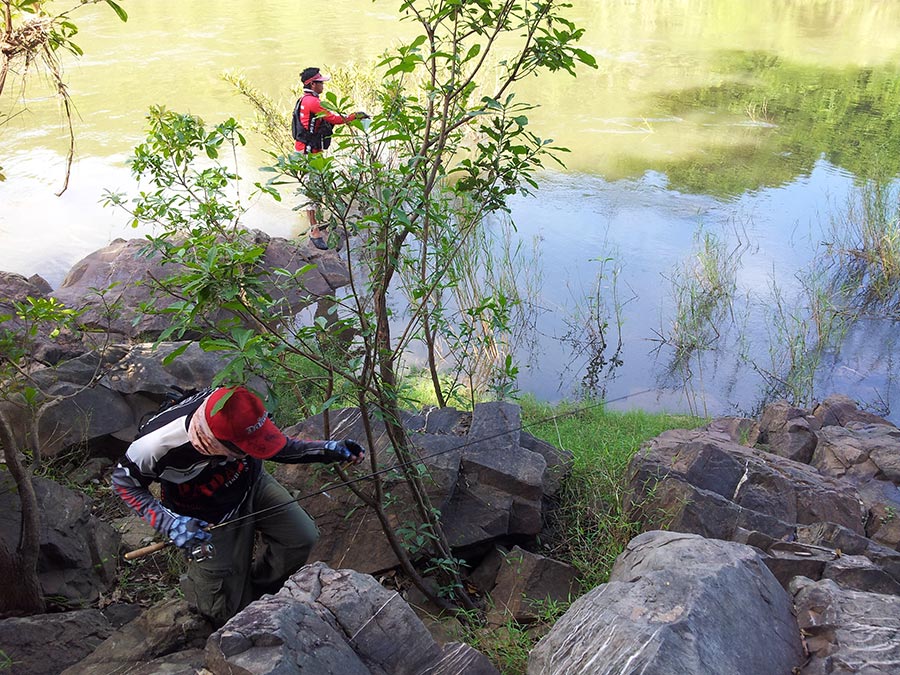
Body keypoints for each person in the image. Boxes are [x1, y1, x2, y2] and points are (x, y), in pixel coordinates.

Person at [111, 386, 366, 626]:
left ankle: (260, 592)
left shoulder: (236, 407)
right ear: (215, 440)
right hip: (206, 515)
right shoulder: (155, 445)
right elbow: (124, 483)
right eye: (244, 448)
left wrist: (328, 450)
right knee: (221, 609)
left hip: (253, 485)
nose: (252, 449)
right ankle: (234, 602)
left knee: (301, 536)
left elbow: (273, 446)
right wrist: (170, 523)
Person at [293, 66, 368, 250]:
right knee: (311, 191)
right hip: (309, 153)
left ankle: (316, 223)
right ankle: (314, 231)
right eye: (320, 82)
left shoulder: (305, 99)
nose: (323, 85)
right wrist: (354, 116)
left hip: (307, 150)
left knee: (315, 189)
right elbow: (334, 119)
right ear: (312, 84)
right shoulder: (313, 102)